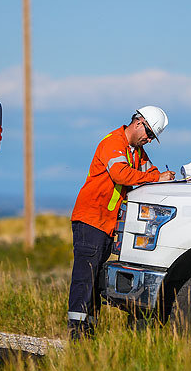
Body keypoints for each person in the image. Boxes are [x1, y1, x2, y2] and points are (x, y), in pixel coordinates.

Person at [67, 106, 176, 339]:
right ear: (138, 123)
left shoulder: (136, 151)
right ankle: (76, 331)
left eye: (152, 137)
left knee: (95, 278)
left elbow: (152, 172)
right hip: (91, 219)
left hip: (106, 223)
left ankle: (89, 331)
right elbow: (120, 174)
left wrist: (167, 180)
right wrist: (156, 178)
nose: (148, 139)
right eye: (148, 134)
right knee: (85, 276)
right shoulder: (113, 143)